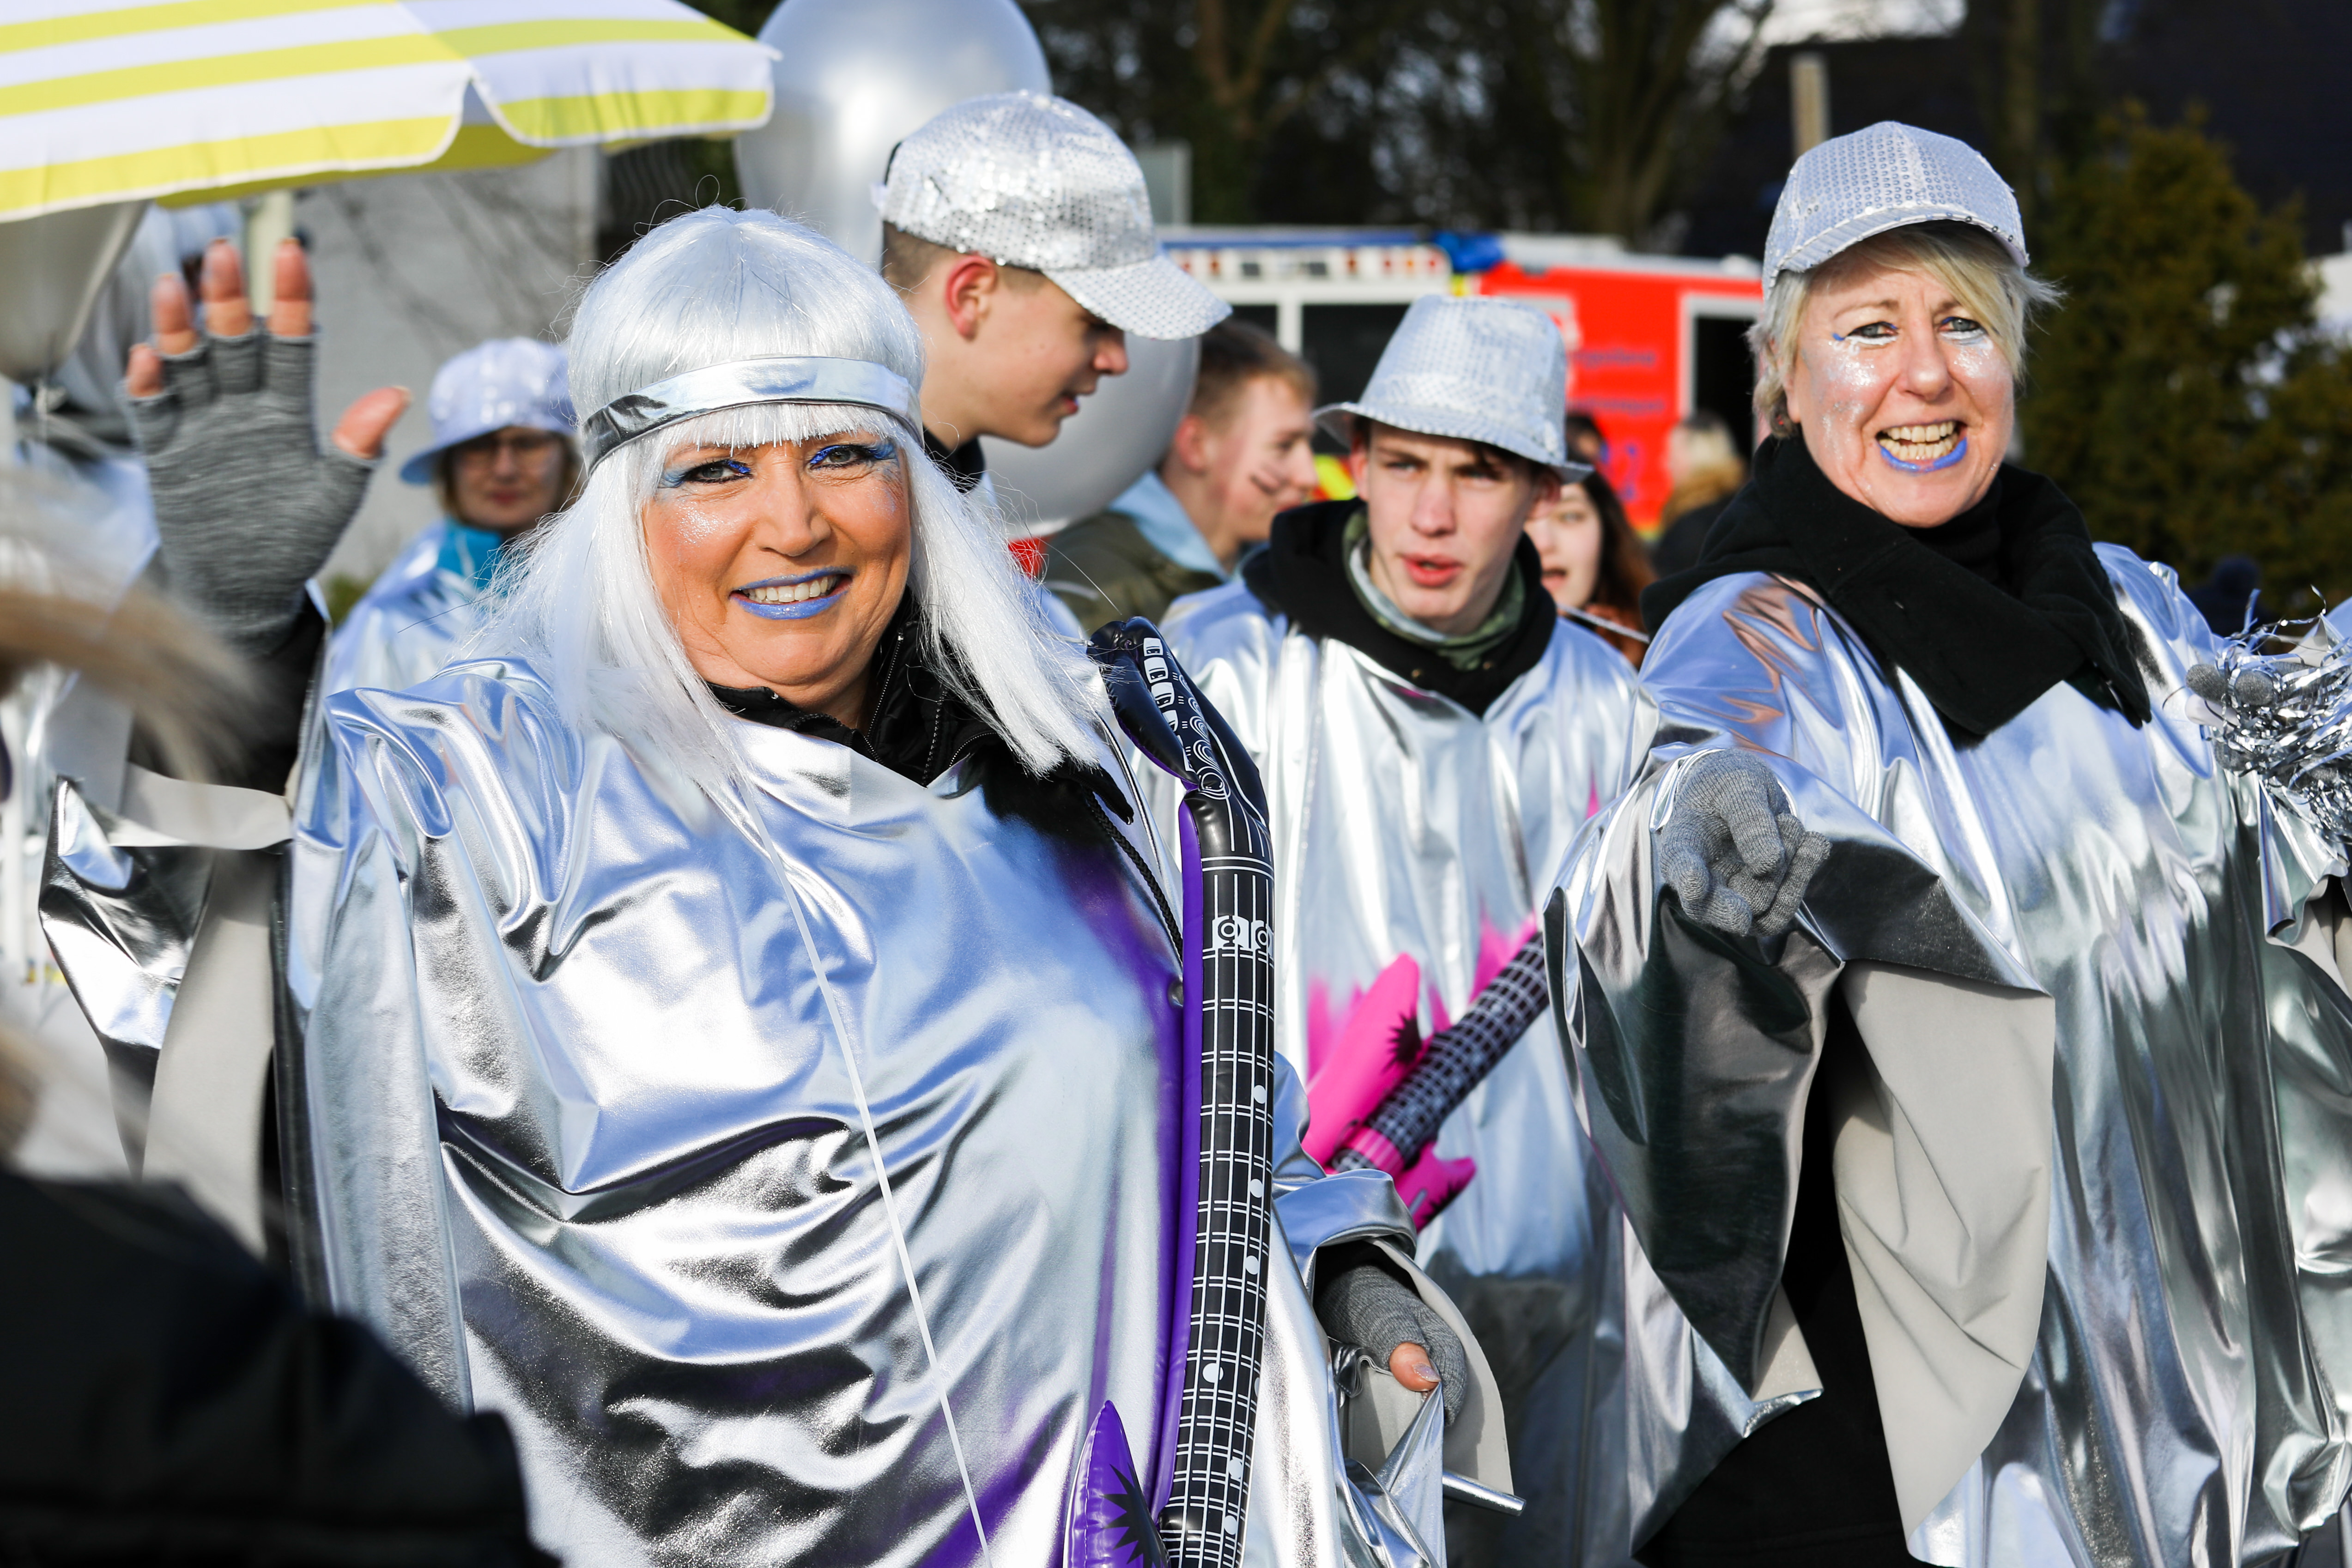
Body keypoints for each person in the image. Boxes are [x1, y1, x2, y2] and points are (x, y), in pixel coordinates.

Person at [70, 206, 1499, 1568]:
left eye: (841, 453)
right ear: (621, 505)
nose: (794, 522)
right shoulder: (480, 794)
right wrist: (227, 640)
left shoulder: (1085, 767)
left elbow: (1205, 1132)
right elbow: (179, 961)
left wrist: (1333, 1269)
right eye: (714, 471)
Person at [1551, 121, 2352, 1568]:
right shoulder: (1756, 637)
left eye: (1963, 324)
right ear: (1782, 375)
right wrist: (1700, 852)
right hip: (1907, 1451)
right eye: (1867, 329)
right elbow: (1694, 803)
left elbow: (2282, 820)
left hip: (2178, 1392)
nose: (1923, 374)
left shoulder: (2124, 610)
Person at [1155, 294, 1653, 1563]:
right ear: (1359, 463)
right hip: (1298, 1296)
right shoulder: (1223, 668)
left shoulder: (1610, 706)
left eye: (1475, 474)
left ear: (1541, 490)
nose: (1430, 515)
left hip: (1558, 1317)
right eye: (1403, 465)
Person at [877, 90, 1229, 504]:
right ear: (972, 296)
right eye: (1096, 323)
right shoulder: (848, 504)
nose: (1118, 361)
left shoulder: (923, 483)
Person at [324, 339, 574, 695]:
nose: (504, 469)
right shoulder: (394, 622)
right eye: (479, 446)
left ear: (567, 457)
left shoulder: (618, 593)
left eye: (527, 444)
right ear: (449, 467)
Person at [1046, 318, 1318, 630]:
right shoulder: (1096, 572)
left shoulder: (1278, 570)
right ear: (1196, 445)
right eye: (1283, 445)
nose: (1308, 477)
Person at [1522, 463, 1653, 664]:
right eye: (1521, 518)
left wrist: (1637, 673)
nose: (1543, 543)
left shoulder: (1662, 649)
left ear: (1607, 530)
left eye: (1569, 516)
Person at [1645, 408, 1747, 576]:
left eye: (1672, 455)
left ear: (1697, 458)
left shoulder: (1692, 528)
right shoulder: (1740, 509)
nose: (1665, 464)